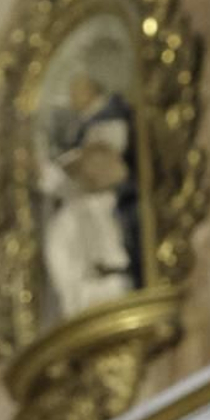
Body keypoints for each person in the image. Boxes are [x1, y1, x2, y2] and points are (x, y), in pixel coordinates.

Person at [37, 67, 142, 322]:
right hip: (84, 195)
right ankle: (78, 295)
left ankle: (110, 272)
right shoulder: (81, 128)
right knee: (62, 232)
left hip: (110, 193)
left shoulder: (111, 114)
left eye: (77, 92)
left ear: (90, 90)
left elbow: (111, 156)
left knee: (87, 218)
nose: (73, 99)